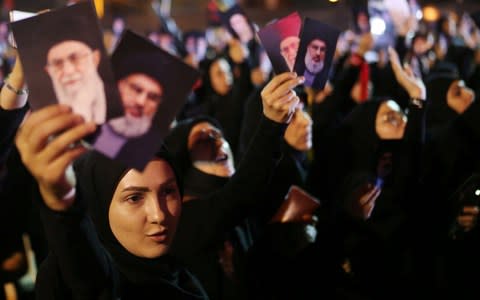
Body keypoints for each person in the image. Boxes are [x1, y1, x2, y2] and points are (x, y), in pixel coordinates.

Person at [16, 71, 303, 299]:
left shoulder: (176, 271)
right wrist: (62, 202)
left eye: (167, 191)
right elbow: (85, 273)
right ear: (99, 202)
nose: (159, 215)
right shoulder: (87, 278)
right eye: (134, 198)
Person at [44, 39, 106, 124]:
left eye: (75, 58)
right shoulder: (47, 116)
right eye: (57, 64)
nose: (68, 71)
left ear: (95, 59)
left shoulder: (124, 104)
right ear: (49, 72)